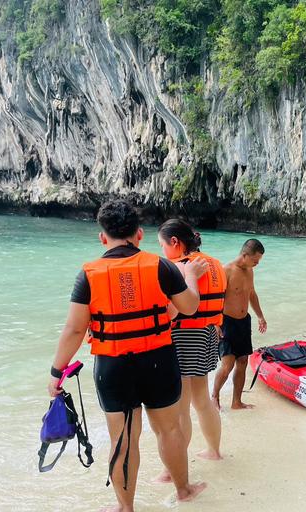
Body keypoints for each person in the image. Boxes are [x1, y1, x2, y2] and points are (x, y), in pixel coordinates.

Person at [47, 200, 208, 512]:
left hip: (113, 366)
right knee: (169, 429)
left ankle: (126, 508)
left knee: (123, 439)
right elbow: (188, 307)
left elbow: (74, 329)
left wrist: (56, 372)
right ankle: (184, 490)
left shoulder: (88, 274)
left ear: (102, 238)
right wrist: (189, 277)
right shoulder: (160, 266)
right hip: (158, 360)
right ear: (140, 234)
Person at [153, 219, 225, 484]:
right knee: (201, 399)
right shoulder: (215, 263)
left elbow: (172, 309)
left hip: (183, 336)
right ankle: (214, 451)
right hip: (208, 332)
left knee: (180, 409)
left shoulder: (179, 267)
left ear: (175, 243)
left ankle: (171, 472)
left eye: (162, 245)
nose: (162, 252)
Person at [212, 239, 267, 410]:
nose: (256, 264)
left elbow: (252, 294)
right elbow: (215, 298)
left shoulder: (249, 271)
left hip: (244, 322)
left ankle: (236, 402)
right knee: (227, 366)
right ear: (244, 255)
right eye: (255, 260)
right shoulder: (225, 270)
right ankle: (214, 396)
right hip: (226, 322)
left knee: (242, 361)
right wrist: (215, 323)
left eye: (258, 261)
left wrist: (260, 316)